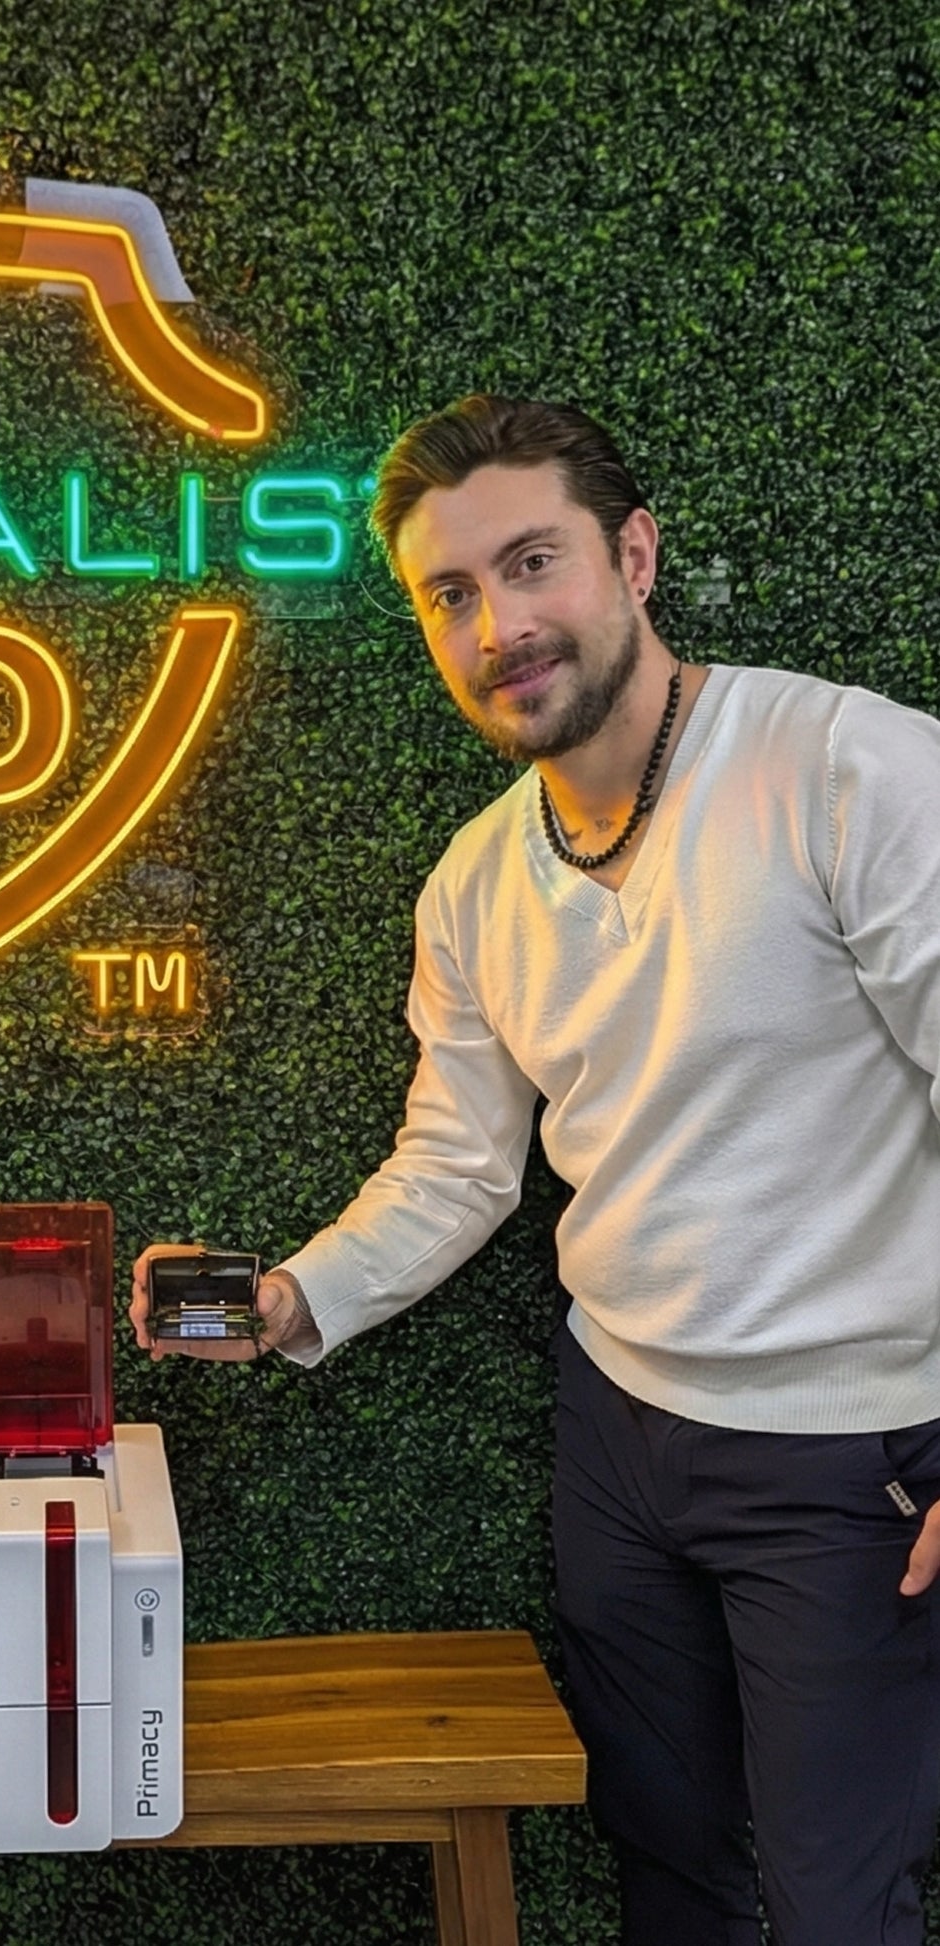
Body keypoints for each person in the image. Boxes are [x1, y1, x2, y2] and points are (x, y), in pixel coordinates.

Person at [131, 395, 940, 1945]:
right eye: (449, 593)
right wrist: (291, 1298)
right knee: (666, 1868)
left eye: (529, 562)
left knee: (845, 1907)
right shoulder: (475, 879)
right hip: (619, 1440)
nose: (497, 625)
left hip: (852, 1464)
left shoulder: (850, 770)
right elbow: (454, 1163)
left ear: (631, 557)